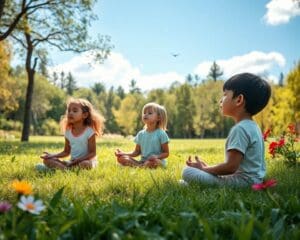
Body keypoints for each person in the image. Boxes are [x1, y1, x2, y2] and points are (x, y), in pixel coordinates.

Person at [181, 73, 271, 187]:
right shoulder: (254, 126)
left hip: (242, 183)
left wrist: (204, 169)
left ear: (239, 100)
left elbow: (230, 167)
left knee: (187, 172)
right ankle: (191, 184)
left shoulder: (240, 129)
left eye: (225, 95)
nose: (221, 100)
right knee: (193, 177)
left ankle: (194, 183)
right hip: (254, 181)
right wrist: (208, 168)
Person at [39, 98, 105, 170]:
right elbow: (66, 152)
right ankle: (67, 169)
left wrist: (78, 160)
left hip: (87, 161)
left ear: (85, 115)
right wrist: (53, 155)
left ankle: (65, 169)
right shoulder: (68, 132)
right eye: (69, 110)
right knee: (47, 160)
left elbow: (92, 153)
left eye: (75, 111)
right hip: (72, 162)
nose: (70, 113)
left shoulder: (89, 132)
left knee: (85, 164)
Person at [115, 102, 169, 168]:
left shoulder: (161, 134)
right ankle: (141, 166)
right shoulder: (141, 134)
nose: (145, 115)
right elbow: (136, 152)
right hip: (143, 161)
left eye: (150, 113)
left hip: (155, 161)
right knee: (121, 158)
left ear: (158, 118)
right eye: (144, 113)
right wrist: (123, 153)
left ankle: (138, 166)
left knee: (154, 162)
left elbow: (166, 153)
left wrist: (156, 156)